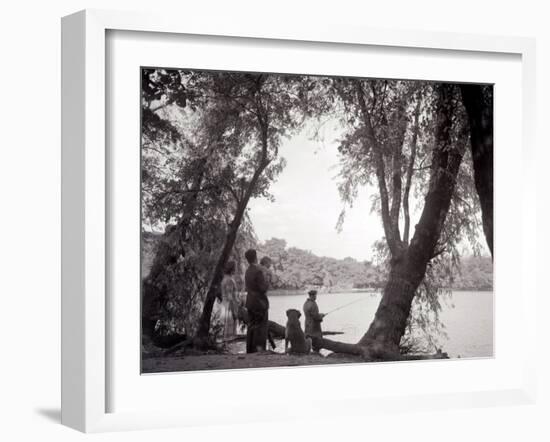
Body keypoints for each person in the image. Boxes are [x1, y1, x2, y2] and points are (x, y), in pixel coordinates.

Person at [244, 249, 270, 353]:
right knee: (261, 327)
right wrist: (267, 280)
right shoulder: (258, 271)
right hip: (259, 303)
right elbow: (263, 288)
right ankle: (259, 350)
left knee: (251, 326)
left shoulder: (247, 271)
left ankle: (250, 349)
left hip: (250, 302)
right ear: (255, 257)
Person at [259, 256, 277, 350]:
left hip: (254, 300)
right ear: (266, 263)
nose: (270, 265)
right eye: (270, 263)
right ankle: (263, 347)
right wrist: (272, 273)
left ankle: (259, 347)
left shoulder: (256, 268)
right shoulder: (266, 270)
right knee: (263, 323)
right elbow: (273, 282)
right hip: (262, 299)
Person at [219, 260, 239, 342]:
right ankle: (228, 347)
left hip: (224, 305)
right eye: (235, 267)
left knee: (225, 329)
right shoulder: (229, 280)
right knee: (229, 329)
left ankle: (226, 345)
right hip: (229, 306)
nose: (236, 269)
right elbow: (230, 296)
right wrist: (234, 309)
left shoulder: (225, 278)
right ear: (232, 269)